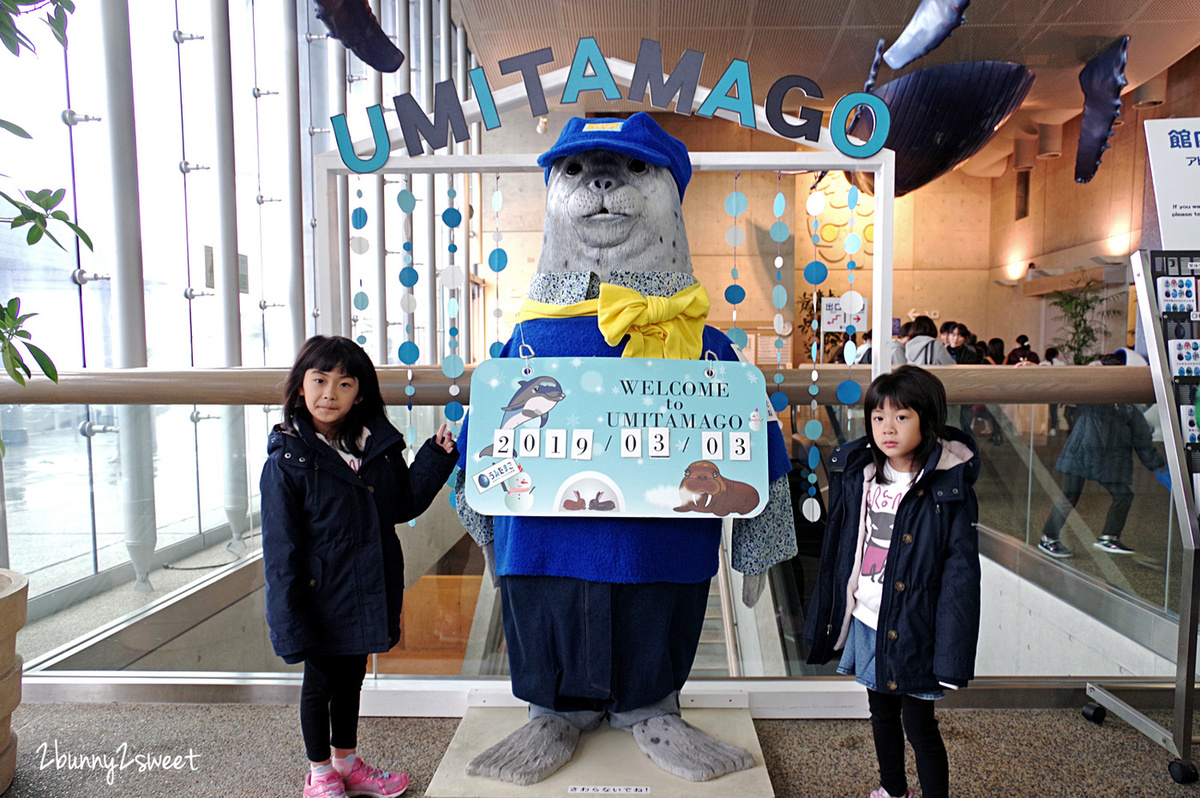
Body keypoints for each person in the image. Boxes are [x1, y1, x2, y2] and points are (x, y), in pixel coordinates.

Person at [261, 335, 459, 798]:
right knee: (320, 684)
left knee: (351, 678)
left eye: (343, 383)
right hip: (318, 595)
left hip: (369, 586)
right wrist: (289, 619)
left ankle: (346, 763)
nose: (329, 393)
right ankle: (320, 773)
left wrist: (435, 456)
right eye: (319, 380)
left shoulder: (376, 447)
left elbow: (402, 503)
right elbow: (281, 552)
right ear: (300, 387)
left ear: (360, 393)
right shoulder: (287, 462)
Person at [804, 366, 980, 798]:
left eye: (901, 417)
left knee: (919, 725)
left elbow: (961, 577)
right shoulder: (860, 474)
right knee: (880, 711)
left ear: (927, 420)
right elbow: (842, 552)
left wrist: (953, 657)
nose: (887, 428)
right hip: (868, 618)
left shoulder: (947, 487)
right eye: (878, 417)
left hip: (916, 625)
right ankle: (892, 789)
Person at [1037, 353, 1168, 558]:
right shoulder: (1092, 393)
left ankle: (1108, 537)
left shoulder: (1126, 403)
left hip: (1103, 459)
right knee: (1072, 496)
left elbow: (1142, 438)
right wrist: (1037, 369)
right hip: (1083, 455)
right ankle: (1050, 538)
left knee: (1121, 495)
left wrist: (1158, 466)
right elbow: (1062, 382)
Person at [1041, 347, 1067, 436]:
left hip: (1043, 390)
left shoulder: (1042, 364)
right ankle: (1052, 429)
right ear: (1057, 355)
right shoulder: (1061, 364)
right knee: (1053, 411)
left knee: (1043, 410)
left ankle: (1042, 427)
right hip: (1056, 390)